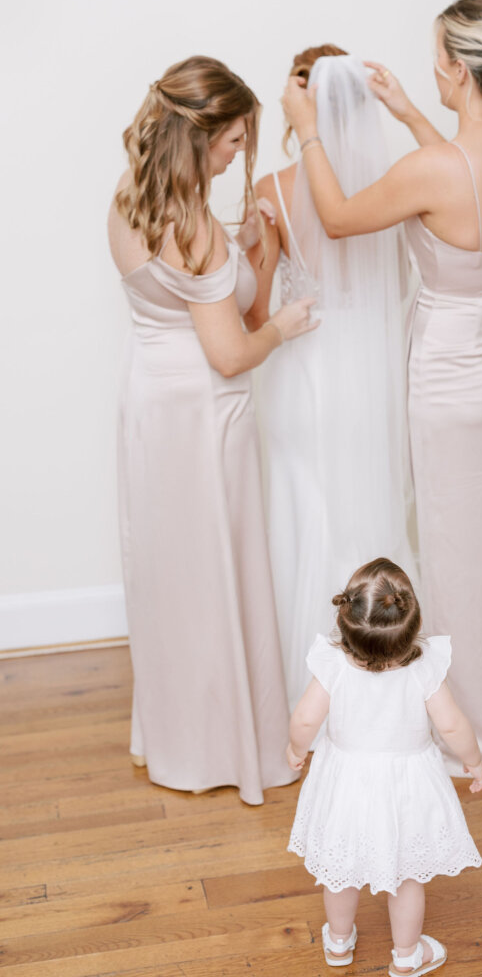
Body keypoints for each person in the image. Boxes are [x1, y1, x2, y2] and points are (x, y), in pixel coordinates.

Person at [282, 0, 482, 779]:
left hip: (457, 377)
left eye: (435, 55)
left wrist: (305, 127)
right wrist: (409, 115)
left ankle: (474, 734)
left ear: (459, 68)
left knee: (462, 552)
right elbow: (463, 191)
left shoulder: (435, 167)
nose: (428, 66)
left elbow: (336, 217)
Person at [107, 55, 317, 802]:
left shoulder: (130, 200)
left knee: (175, 577)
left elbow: (189, 303)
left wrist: (249, 248)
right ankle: (227, 749)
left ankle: (173, 736)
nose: (237, 158)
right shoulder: (193, 225)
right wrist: (284, 327)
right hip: (203, 415)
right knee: (217, 572)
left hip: (150, 406)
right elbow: (230, 352)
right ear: (198, 136)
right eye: (231, 142)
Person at [249, 48, 416, 707]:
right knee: (367, 507)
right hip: (369, 371)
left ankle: (306, 687)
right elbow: (400, 285)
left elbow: (261, 312)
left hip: (306, 368)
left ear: (300, 105)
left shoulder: (271, 191)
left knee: (304, 503)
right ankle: (383, 678)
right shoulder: (391, 187)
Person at [286, 558, 482, 976]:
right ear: (412, 622)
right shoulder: (424, 665)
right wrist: (473, 759)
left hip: (345, 785)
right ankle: (408, 955)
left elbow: (306, 718)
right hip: (408, 787)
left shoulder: (333, 664)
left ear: (346, 620)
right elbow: (451, 724)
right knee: (408, 875)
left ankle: (339, 942)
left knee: (340, 872)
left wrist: (295, 749)